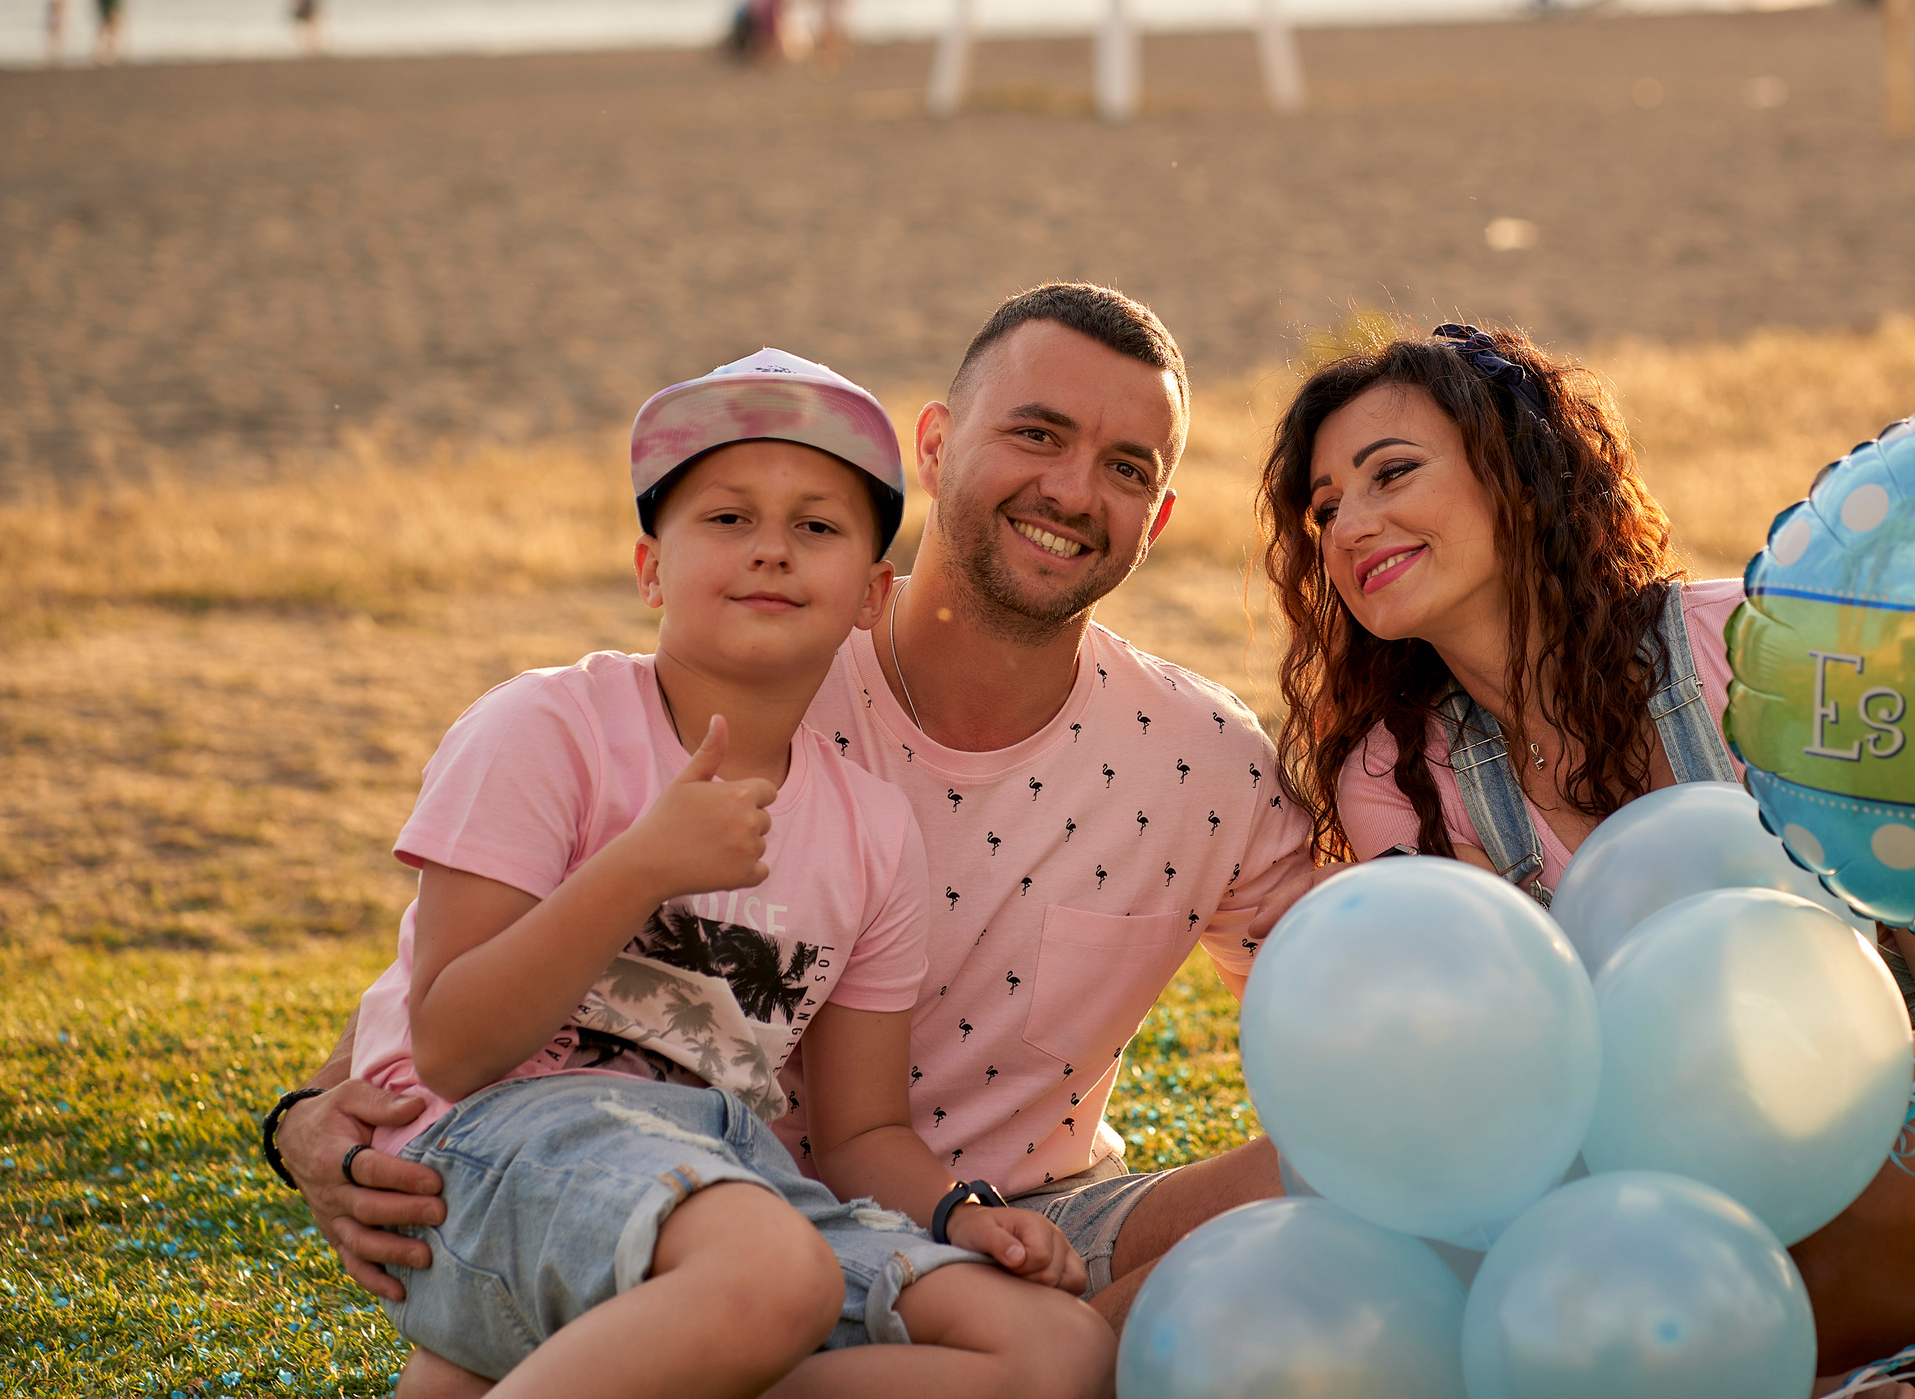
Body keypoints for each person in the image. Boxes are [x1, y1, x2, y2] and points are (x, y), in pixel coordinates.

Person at [267, 286, 1313, 1395]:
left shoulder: (1193, 760)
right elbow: (449, 1008)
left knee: (1095, 1333)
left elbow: (1346, 990)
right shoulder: (725, 676)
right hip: (652, 1177)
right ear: (938, 445)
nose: (1070, 488)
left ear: (1155, 518)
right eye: (1037, 434)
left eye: (1126, 467)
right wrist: (304, 1118)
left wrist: (971, 1219)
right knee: (763, 1279)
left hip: (909, 1208)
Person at [1258, 322, 1915, 1392]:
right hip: (1638, 1255)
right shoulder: (1393, 775)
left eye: (1390, 474)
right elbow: (1481, 1099)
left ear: (1516, 472)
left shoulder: (1743, 646)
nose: (1350, 526)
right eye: (1323, 510)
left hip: (1905, 1205)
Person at [336, 347, 1109, 1395]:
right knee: (768, 1273)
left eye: (818, 527)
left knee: (1054, 1352)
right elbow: (452, 1045)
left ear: (868, 596)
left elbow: (861, 1131)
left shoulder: (870, 831)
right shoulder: (545, 727)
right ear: (651, 565)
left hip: (730, 1178)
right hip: (495, 1156)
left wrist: (964, 1214)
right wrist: (643, 865)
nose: (773, 552)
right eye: (727, 518)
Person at [93, 0, 124, 64]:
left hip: (107, 13)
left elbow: (102, 1)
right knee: (109, 36)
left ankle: (105, 55)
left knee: (106, 35)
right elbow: (116, 3)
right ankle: (107, 55)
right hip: (110, 14)